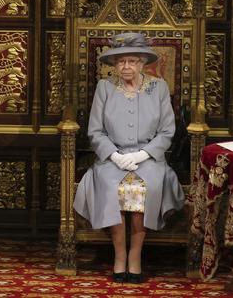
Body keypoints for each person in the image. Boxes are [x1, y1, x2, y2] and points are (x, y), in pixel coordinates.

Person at [73, 32, 185, 284]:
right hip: (111, 159)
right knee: (112, 187)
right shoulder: (105, 88)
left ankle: (135, 255)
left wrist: (143, 153)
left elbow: (168, 131)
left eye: (132, 61)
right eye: (121, 61)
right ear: (114, 64)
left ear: (143, 63)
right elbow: (95, 131)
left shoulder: (158, 88)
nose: (126, 67)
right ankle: (119, 254)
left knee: (144, 189)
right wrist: (113, 155)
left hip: (149, 158)